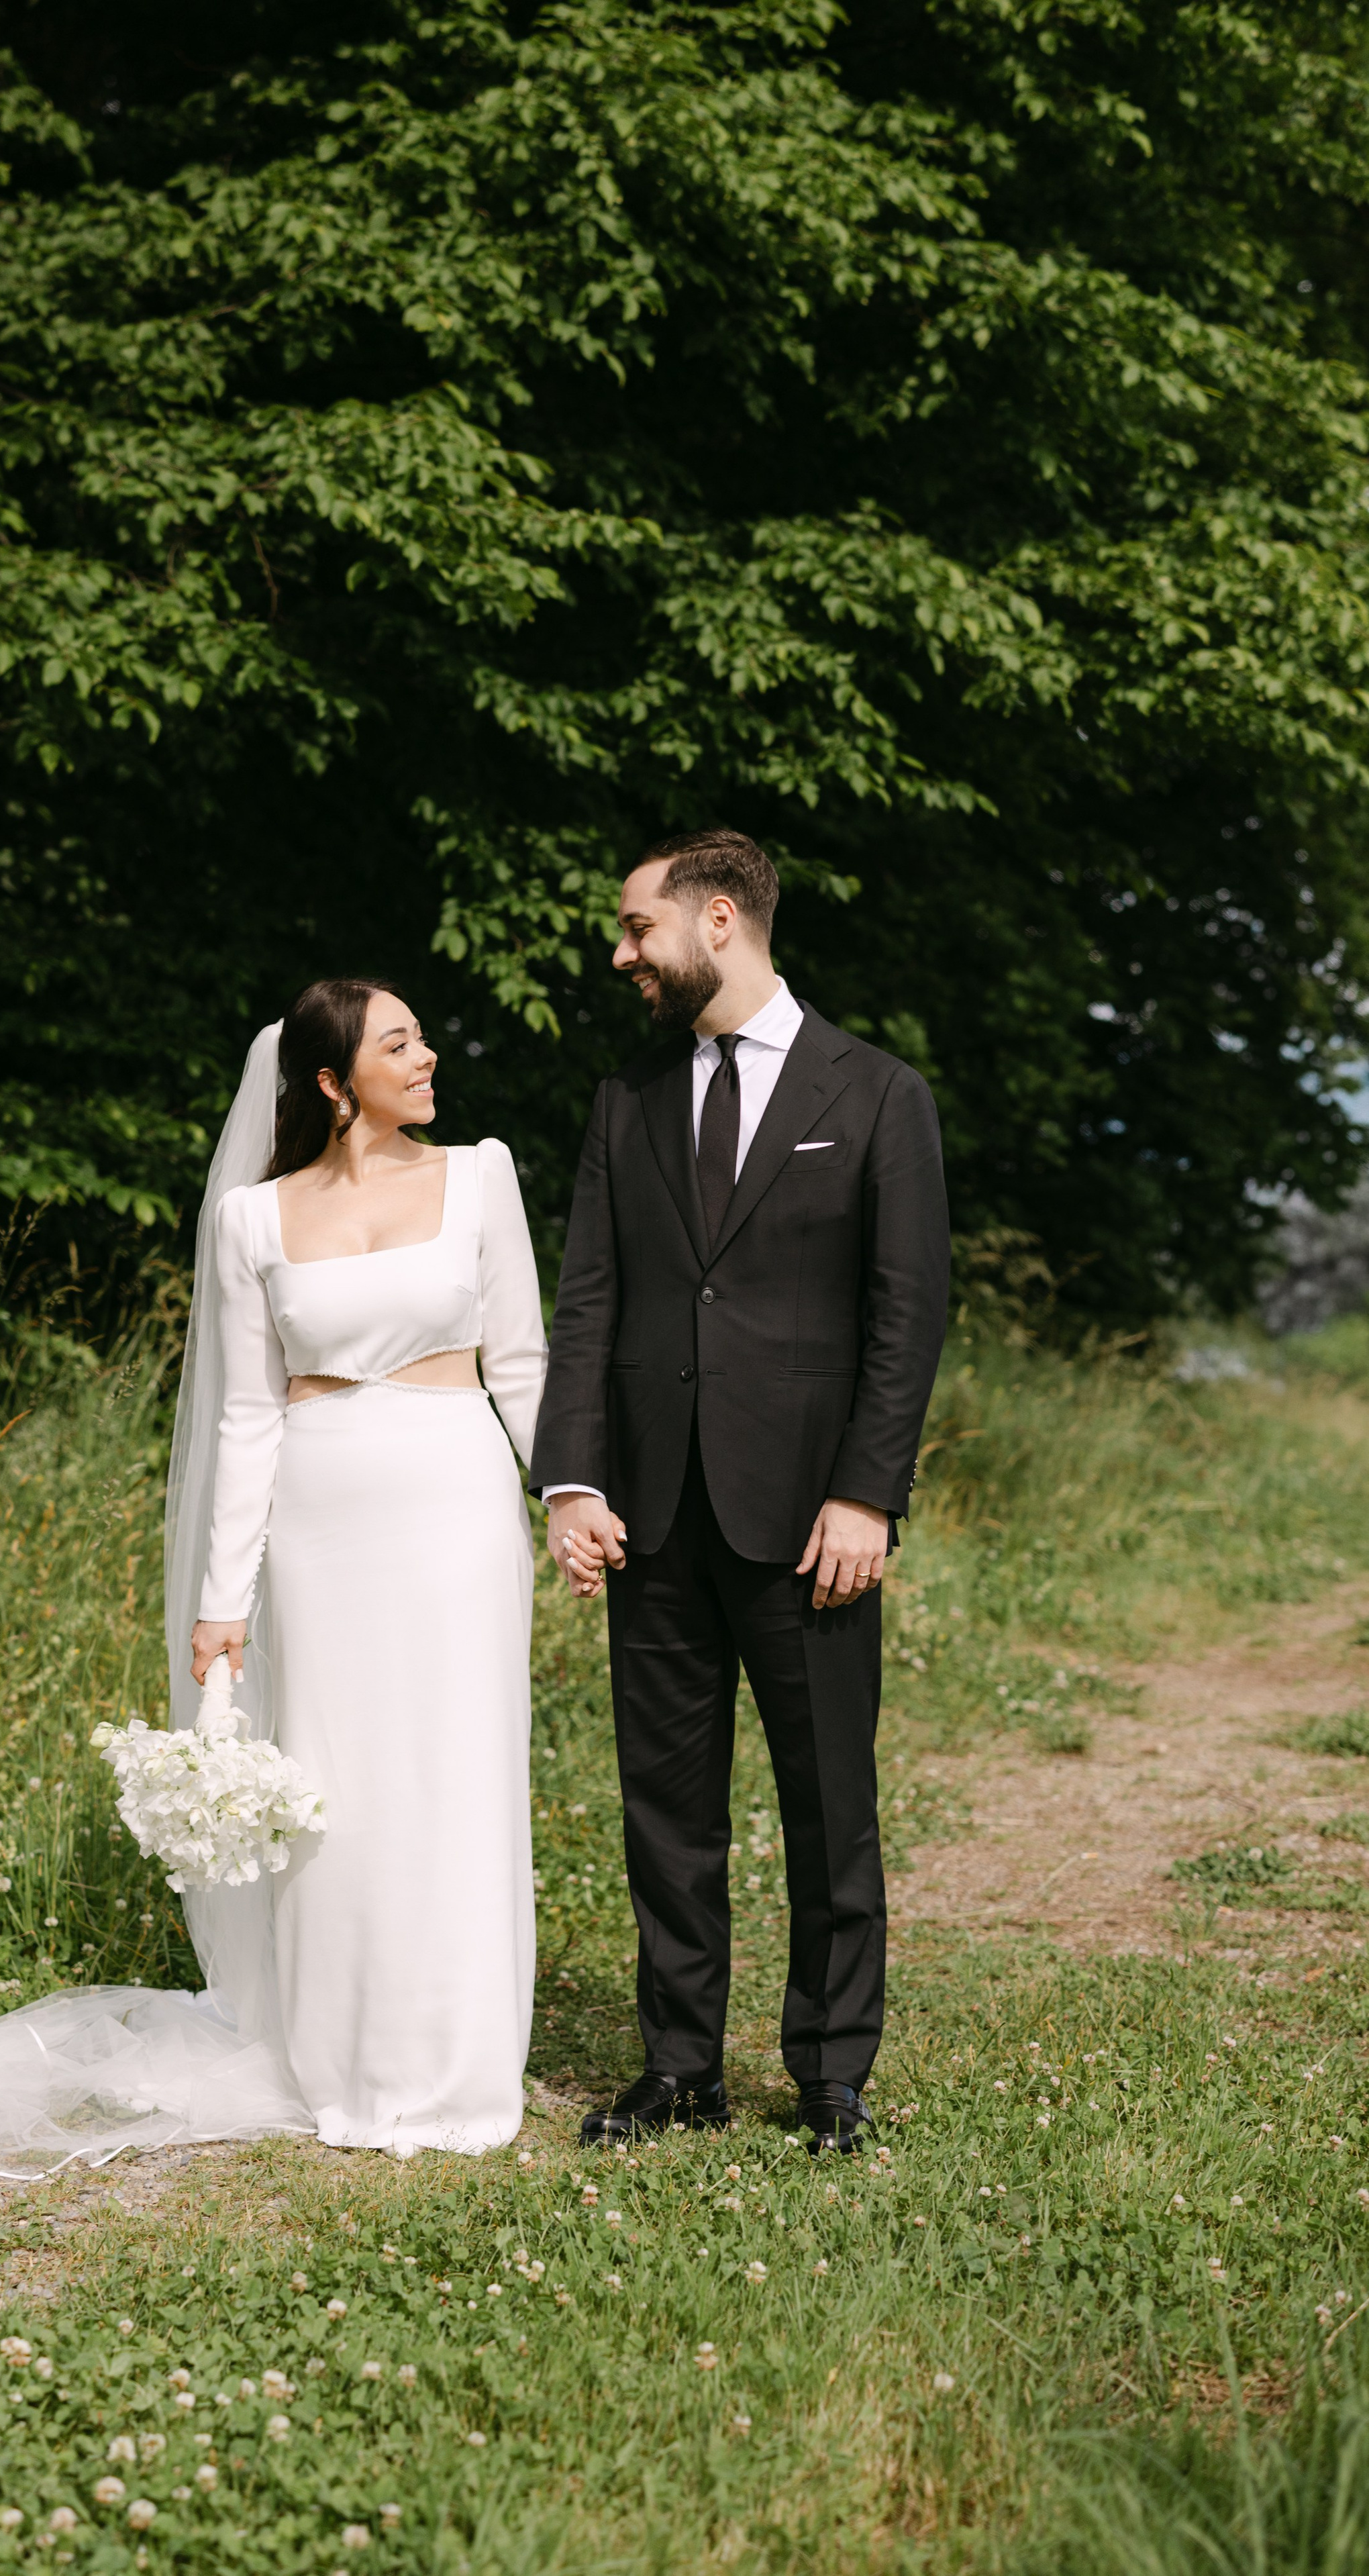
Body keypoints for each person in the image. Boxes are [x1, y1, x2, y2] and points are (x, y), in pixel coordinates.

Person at [0, 981, 546, 2174]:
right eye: (400, 1042)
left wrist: (569, 1492)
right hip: (323, 1527)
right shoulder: (252, 1222)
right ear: (331, 1082)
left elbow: (521, 1363)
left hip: (459, 1505)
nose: (430, 1057)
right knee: (345, 1781)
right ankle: (344, 2060)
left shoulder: (484, 1175)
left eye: (420, 1038)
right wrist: (225, 1598)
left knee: (459, 1766)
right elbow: (246, 1419)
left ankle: (464, 2064)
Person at [531, 830, 948, 2155]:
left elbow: (905, 1313)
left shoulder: (877, 1093)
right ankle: (678, 2065)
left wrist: (865, 1494)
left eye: (635, 926)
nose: (621, 952)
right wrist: (572, 1476)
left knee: (829, 1798)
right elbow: (587, 1299)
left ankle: (828, 2071)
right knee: (665, 1800)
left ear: (718, 919)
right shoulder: (626, 1097)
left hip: (809, 1523)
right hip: (648, 1515)